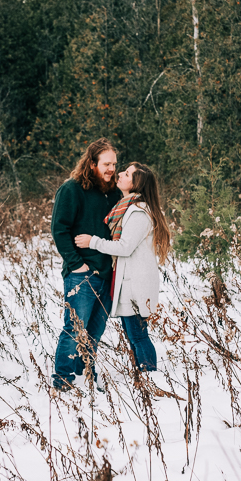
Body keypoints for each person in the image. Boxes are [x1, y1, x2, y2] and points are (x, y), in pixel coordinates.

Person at [75, 162, 171, 375]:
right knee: (134, 334)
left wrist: (93, 242)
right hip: (130, 282)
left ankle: (150, 376)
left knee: (138, 335)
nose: (120, 174)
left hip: (135, 284)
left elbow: (124, 247)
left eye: (127, 174)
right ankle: (144, 375)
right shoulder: (128, 207)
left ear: (136, 184)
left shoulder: (138, 212)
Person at [50, 138, 122, 391]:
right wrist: (76, 264)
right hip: (81, 274)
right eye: (106, 164)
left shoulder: (114, 193)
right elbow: (59, 230)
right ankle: (63, 380)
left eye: (114, 164)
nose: (111, 168)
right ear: (92, 164)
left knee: (95, 330)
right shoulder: (72, 189)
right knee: (74, 328)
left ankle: (84, 375)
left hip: (107, 273)